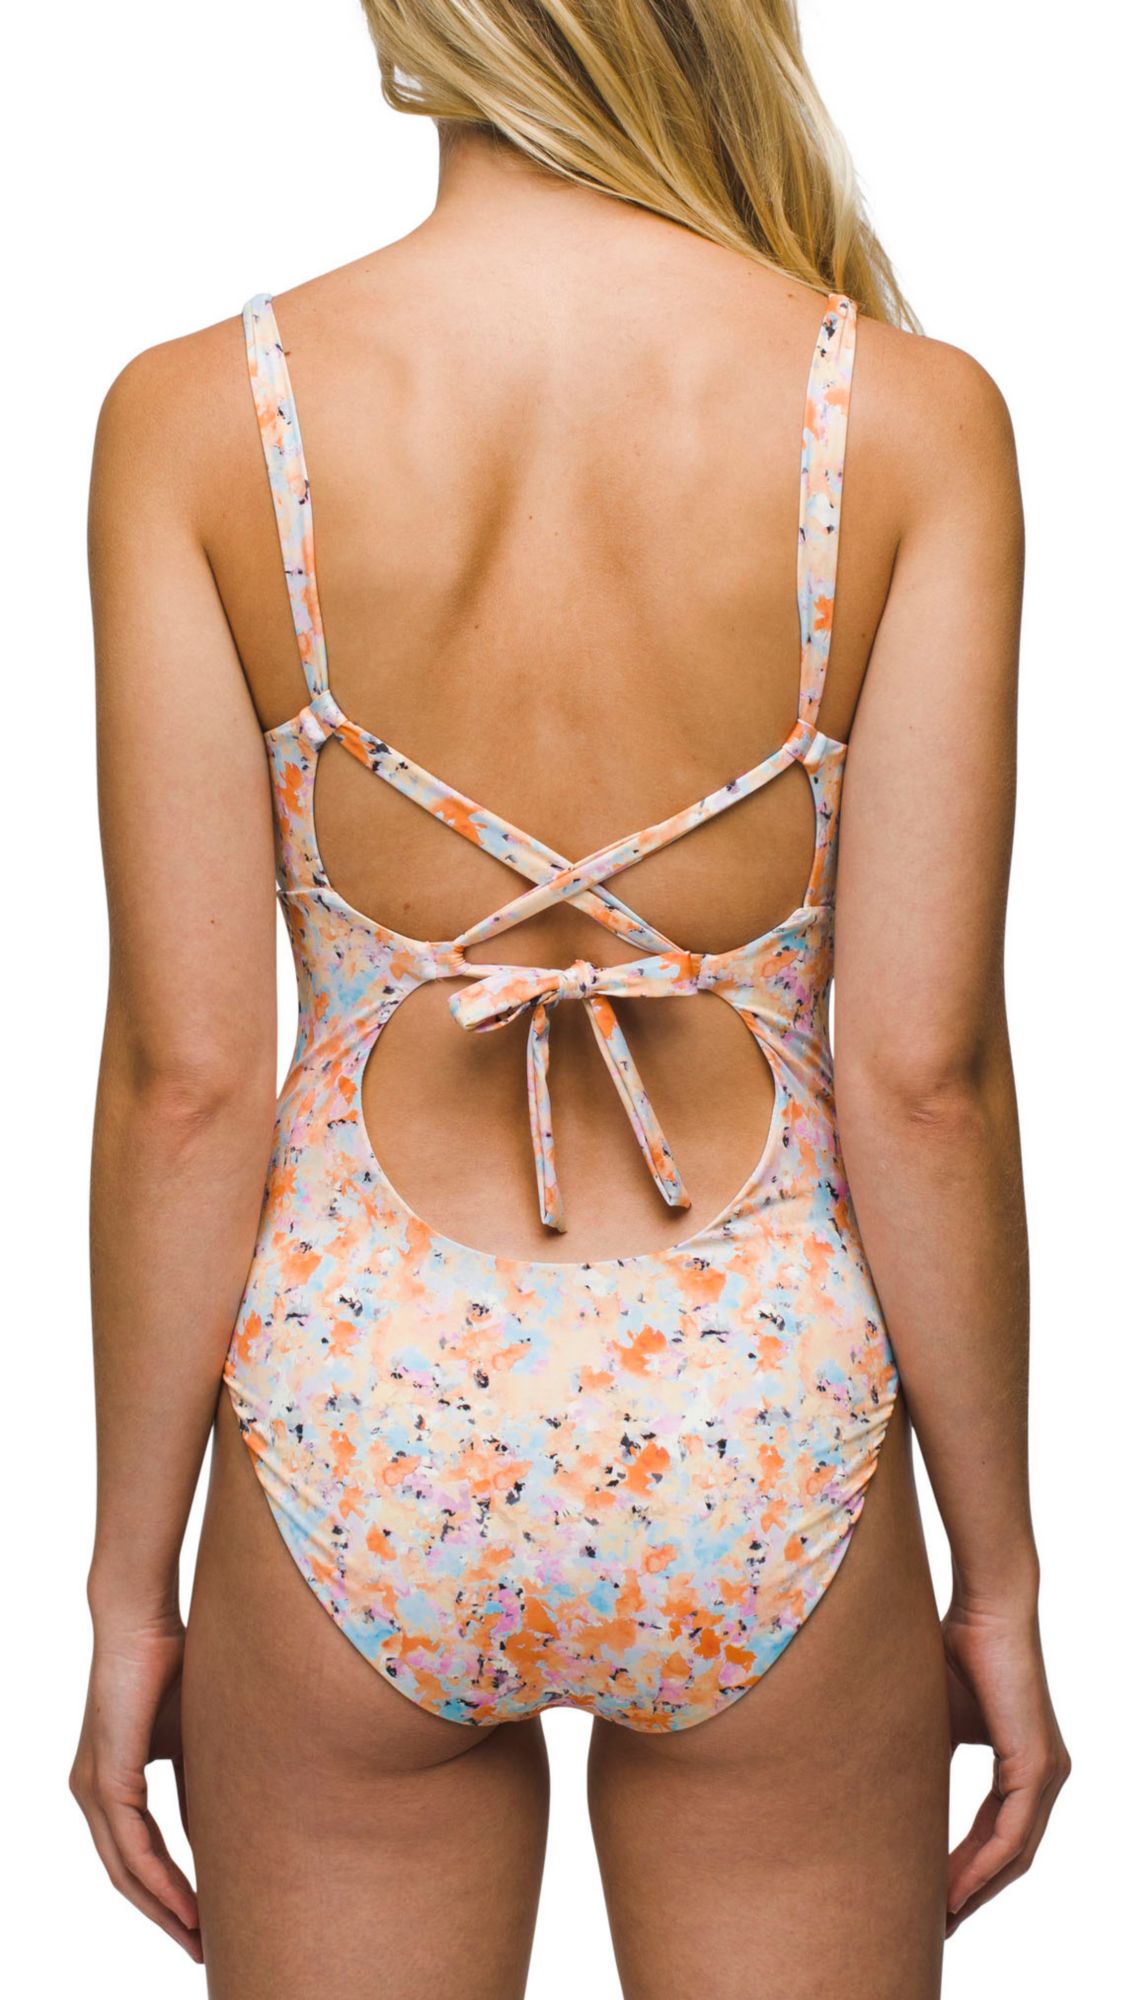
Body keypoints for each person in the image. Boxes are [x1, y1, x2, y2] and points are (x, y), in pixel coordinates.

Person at [69, 3, 1069, 1993]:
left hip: (361, 1416)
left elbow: (189, 1083)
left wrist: (126, 1585)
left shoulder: (200, 418)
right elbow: (921, 1080)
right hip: (758, 1415)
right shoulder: (901, 419)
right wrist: (1001, 1577)